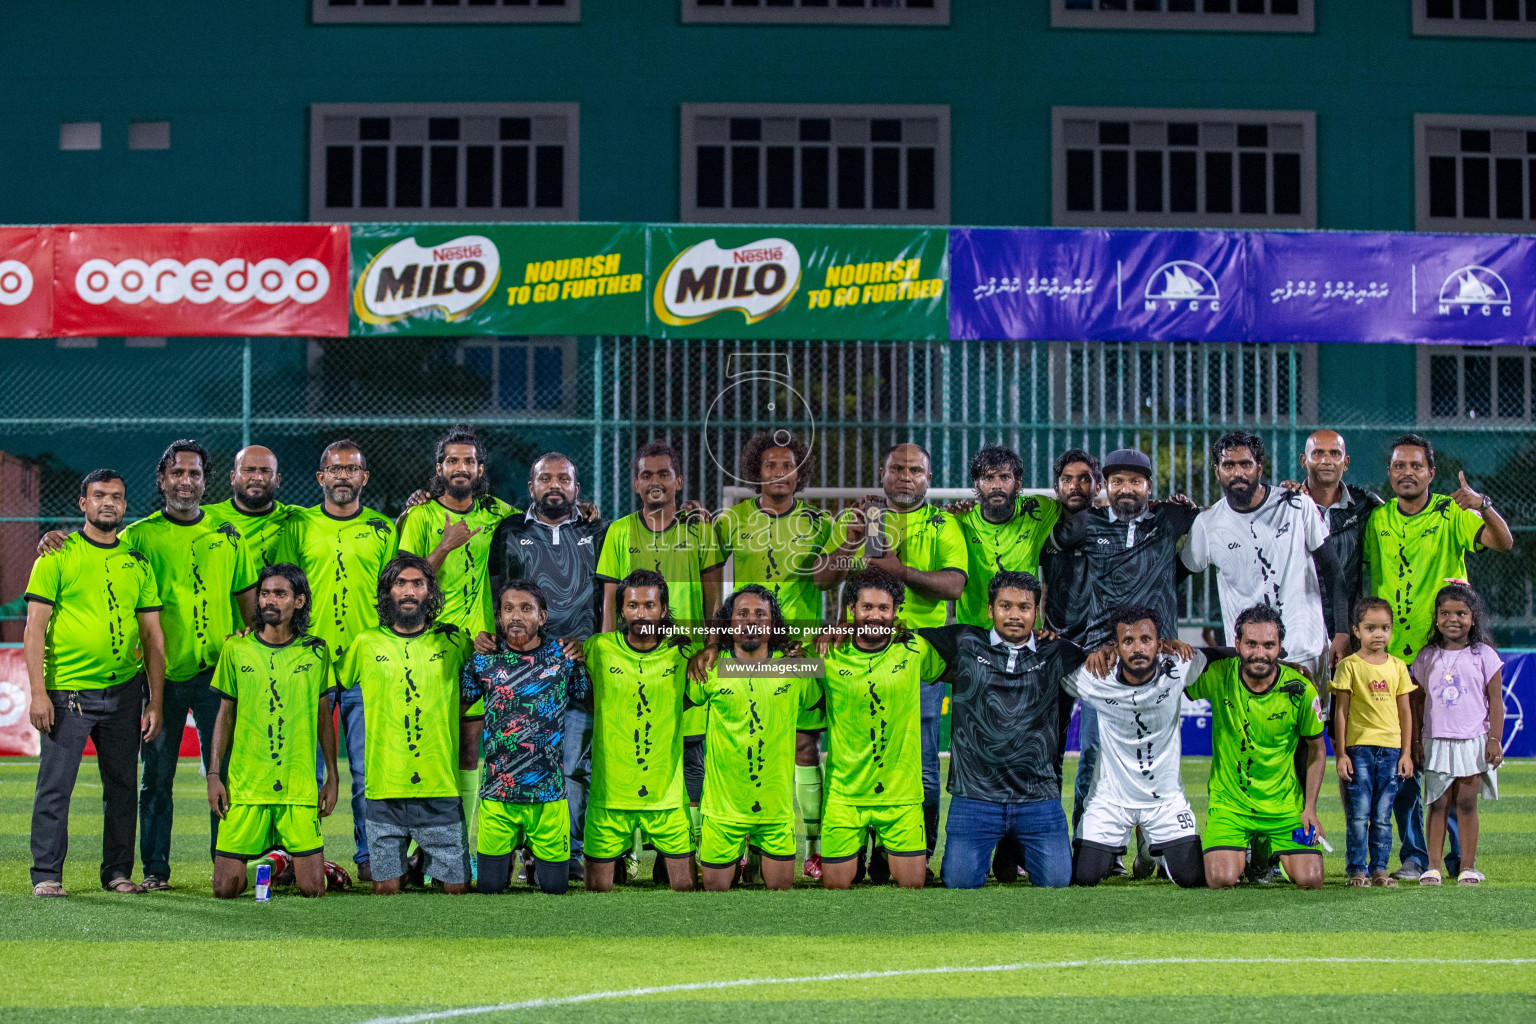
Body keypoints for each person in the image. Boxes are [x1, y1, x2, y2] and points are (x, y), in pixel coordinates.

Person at [1361, 434, 1513, 882]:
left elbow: (1502, 542)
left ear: (1431, 472)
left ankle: (1456, 860)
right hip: (1392, 660)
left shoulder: (1452, 513)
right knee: (1409, 759)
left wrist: (1482, 503)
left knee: (1450, 757)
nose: (1407, 472)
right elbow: (1369, 578)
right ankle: (1415, 857)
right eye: (1398, 466)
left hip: (1443, 657)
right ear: (1390, 473)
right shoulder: (1378, 520)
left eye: (1416, 465)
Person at [1045, 447, 1196, 877]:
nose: (1126, 489)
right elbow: (1048, 553)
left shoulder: (1171, 519)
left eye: (1135, 481)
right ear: (1105, 488)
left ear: (1149, 486)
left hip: (1160, 656)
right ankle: (1098, 846)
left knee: (1160, 750)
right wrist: (1055, 619)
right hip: (1100, 657)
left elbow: (1213, 522)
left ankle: (1156, 845)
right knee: (1094, 754)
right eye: (1117, 482)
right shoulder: (1085, 524)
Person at [816, 442, 966, 864]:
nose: (905, 476)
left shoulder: (942, 524)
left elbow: (954, 586)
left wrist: (901, 572)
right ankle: (850, 851)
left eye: (915, 470)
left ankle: (914, 852)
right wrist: (850, 543)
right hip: (855, 656)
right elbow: (823, 580)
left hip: (915, 659)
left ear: (928, 478)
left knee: (920, 765)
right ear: (882, 472)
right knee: (852, 757)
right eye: (896, 468)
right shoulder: (856, 516)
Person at [120, 440, 259, 890]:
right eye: (177, 473)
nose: (186, 481)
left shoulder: (227, 532)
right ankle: (156, 871)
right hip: (160, 678)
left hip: (217, 675)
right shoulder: (138, 537)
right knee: (156, 777)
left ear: (205, 481)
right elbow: (100, 555)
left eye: (195, 474)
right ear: (162, 479)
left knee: (225, 773)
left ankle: (225, 864)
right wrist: (54, 540)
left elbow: (248, 603)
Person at [26, 470, 166, 897]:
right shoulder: (55, 555)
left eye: (117, 497)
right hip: (67, 692)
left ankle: (117, 872)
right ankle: (47, 875)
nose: (109, 502)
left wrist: (154, 700)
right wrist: (37, 693)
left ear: (125, 506)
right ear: (82, 503)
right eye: (99, 495)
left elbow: (152, 635)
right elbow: (34, 630)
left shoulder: (136, 562)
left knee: (123, 787)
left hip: (124, 692)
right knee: (56, 787)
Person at [275, 439, 399, 881]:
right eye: (334, 468)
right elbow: (280, 589)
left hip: (366, 669)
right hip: (308, 668)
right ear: (320, 477)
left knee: (367, 774)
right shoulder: (298, 525)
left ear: (364, 478)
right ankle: (299, 858)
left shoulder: (385, 529)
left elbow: (396, 596)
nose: (343, 475)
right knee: (302, 772)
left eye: (352, 469)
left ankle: (370, 860)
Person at [711, 431, 832, 877]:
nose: (779, 473)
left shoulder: (820, 524)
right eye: (770, 465)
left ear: (800, 474)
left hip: (798, 651)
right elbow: (705, 568)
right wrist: (713, 634)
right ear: (754, 472)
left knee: (804, 744)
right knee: (743, 739)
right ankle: (744, 841)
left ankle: (813, 847)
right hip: (747, 651)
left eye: (788, 465)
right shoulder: (730, 519)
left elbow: (827, 582)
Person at [595, 441, 722, 859]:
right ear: (635, 483)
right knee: (629, 750)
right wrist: (608, 655)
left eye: (664, 474)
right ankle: (626, 852)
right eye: (647, 475)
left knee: (690, 760)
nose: (655, 482)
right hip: (629, 664)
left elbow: (713, 599)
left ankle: (687, 848)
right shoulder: (619, 531)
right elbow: (611, 602)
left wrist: (711, 647)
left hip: (683, 664)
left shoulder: (699, 528)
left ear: (679, 481)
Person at [920, 570, 1084, 890]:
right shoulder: (964, 641)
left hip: (1038, 799)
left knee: (1056, 882)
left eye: (1024, 607)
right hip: (975, 798)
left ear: (1037, 611)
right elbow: (897, 639)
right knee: (960, 882)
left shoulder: (1057, 651)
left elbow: (1105, 669)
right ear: (990, 610)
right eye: (1005, 606)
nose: (1014, 615)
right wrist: (850, 629)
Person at [487, 452, 608, 881]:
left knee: (572, 765)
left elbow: (607, 596)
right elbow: (500, 598)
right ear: (531, 486)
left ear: (577, 487)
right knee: (518, 759)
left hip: (577, 667)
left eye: (564, 479)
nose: (554, 485)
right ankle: (524, 852)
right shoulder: (509, 531)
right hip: (521, 672)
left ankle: (568, 853)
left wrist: (591, 646)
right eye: (545, 478)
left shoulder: (598, 529)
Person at [396, 427, 518, 845]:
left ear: (480, 468)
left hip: (481, 651)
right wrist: (445, 546)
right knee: (427, 749)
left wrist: (586, 510)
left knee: (471, 751)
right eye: (452, 460)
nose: (460, 467)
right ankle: (421, 845)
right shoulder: (421, 517)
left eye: (468, 461)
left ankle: (460, 845)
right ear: (439, 468)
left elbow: (538, 523)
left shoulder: (499, 514)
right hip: (427, 649)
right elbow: (405, 584)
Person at [336, 554, 473, 894]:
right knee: (385, 890)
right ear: (388, 592)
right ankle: (413, 865)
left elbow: (488, 674)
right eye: (400, 584)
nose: (409, 592)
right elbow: (326, 685)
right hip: (385, 788)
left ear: (430, 592)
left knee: (456, 890)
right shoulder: (366, 643)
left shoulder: (454, 642)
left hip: (439, 786)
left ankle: (423, 863)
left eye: (418, 583)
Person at [1182, 429, 1349, 691]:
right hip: (1250, 661)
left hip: (1306, 650)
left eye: (1246, 464)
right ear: (1217, 471)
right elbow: (1173, 575)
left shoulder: (1296, 505)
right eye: (1228, 465)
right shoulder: (1208, 524)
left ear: (1259, 468)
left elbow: (1332, 569)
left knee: (1313, 732)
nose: (1238, 472)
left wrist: (1342, 632)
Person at [207, 564, 338, 899]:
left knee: (313, 890)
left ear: (299, 601)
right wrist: (213, 774)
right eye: (265, 593)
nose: (269, 600)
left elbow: (324, 717)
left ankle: (289, 860)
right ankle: (277, 861)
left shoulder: (316, 651)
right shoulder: (236, 649)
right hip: (247, 786)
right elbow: (225, 715)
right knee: (225, 889)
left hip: (298, 788)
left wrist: (333, 777)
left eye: (280, 593)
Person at [816, 568, 945, 890]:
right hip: (845, 797)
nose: (875, 615)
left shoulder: (915, 648)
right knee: (836, 888)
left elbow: (959, 665)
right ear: (851, 611)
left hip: (900, 797)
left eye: (883, 608)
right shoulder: (826, 651)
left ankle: (885, 855)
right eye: (867, 607)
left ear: (896, 612)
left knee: (913, 886)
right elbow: (773, 656)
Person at [459, 580, 589, 895]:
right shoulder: (482, 660)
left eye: (526, 608)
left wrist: (580, 656)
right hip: (497, 797)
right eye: (509, 609)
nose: (516, 616)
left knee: (556, 889)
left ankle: (534, 863)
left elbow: (585, 698)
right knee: (489, 888)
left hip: (548, 798)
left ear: (542, 617)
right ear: (499, 619)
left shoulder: (563, 657)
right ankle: (514, 861)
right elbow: (459, 706)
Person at [1064, 604, 1207, 889]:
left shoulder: (1180, 666)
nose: (1138, 648)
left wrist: (1285, 665)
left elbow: (1226, 657)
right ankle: (1144, 845)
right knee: (1084, 877)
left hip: (1164, 802)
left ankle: (1150, 851)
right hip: (1110, 801)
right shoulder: (1095, 677)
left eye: (1146, 640)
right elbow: (1054, 660)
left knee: (1191, 879)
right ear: (1115, 647)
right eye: (1128, 641)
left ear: (1159, 643)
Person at [686, 586, 818, 891]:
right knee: (715, 896)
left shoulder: (794, 668)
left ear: (772, 625)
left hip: (775, 812)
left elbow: (817, 701)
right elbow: (681, 703)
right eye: (742, 614)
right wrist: (703, 650)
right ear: (728, 624)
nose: (751, 621)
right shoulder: (710, 668)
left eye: (761, 614)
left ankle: (756, 859)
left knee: (779, 895)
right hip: (723, 811)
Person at [1188, 605, 1327, 890]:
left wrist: (1310, 808)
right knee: (1221, 879)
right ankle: (1248, 847)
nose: (1260, 653)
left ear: (1279, 647)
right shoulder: (1218, 675)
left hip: (1284, 808)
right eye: (1251, 644)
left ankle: (1265, 849)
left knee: (1311, 879)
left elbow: (1317, 750)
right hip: (1231, 806)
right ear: (1236, 644)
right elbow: (1170, 683)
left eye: (1269, 645)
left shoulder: (1300, 690)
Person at [582, 569, 698, 892]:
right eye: (632, 606)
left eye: (649, 605)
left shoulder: (684, 652)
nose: (641, 613)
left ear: (663, 610)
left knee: (687, 889)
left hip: (666, 798)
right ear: (621, 610)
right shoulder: (598, 649)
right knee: (596, 893)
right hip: (609, 799)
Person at [1410, 582, 1504, 886]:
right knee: (1437, 803)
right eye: (1445, 613)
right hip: (1436, 740)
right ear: (1436, 618)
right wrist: (1415, 741)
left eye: (1461, 613)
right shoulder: (1426, 657)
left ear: (1473, 618)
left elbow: (1496, 702)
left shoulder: (1484, 655)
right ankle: (1433, 867)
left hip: (1473, 740)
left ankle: (1467, 866)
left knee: (1466, 803)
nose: (1453, 619)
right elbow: (1417, 701)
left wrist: (1494, 740)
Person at [1330, 596, 1414, 887]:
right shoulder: (1349, 667)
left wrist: (1406, 754)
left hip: (1391, 752)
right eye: (1370, 628)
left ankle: (1379, 869)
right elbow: (1340, 712)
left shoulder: (1399, 667)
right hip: (1359, 750)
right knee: (1358, 814)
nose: (1378, 634)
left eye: (1385, 628)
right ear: (1356, 630)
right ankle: (1357, 869)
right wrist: (1341, 754)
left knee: (1382, 815)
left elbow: (1405, 712)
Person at [952, 444, 1061, 629]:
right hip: (976, 635)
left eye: (1004, 477)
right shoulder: (960, 519)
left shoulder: (1038, 509)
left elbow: (1077, 509)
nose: (996, 485)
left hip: (1026, 635)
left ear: (1018, 484)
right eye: (988, 477)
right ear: (976, 484)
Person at [1295, 430, 1383, 635]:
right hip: (1298, 627)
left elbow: (1402, 517)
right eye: (1317, 453)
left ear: (1346, 462)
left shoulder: (1365, 504)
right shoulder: (1287, 505)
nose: (1326, 460)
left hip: (1348, 628)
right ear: (1303, 460)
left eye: (1335, 454)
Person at [203, 444, 296, 570]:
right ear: (233, 477)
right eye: (249, 470)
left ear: (277, 480)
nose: (257, 478)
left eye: (265, 471)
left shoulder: (295, 518)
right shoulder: (206, 517)